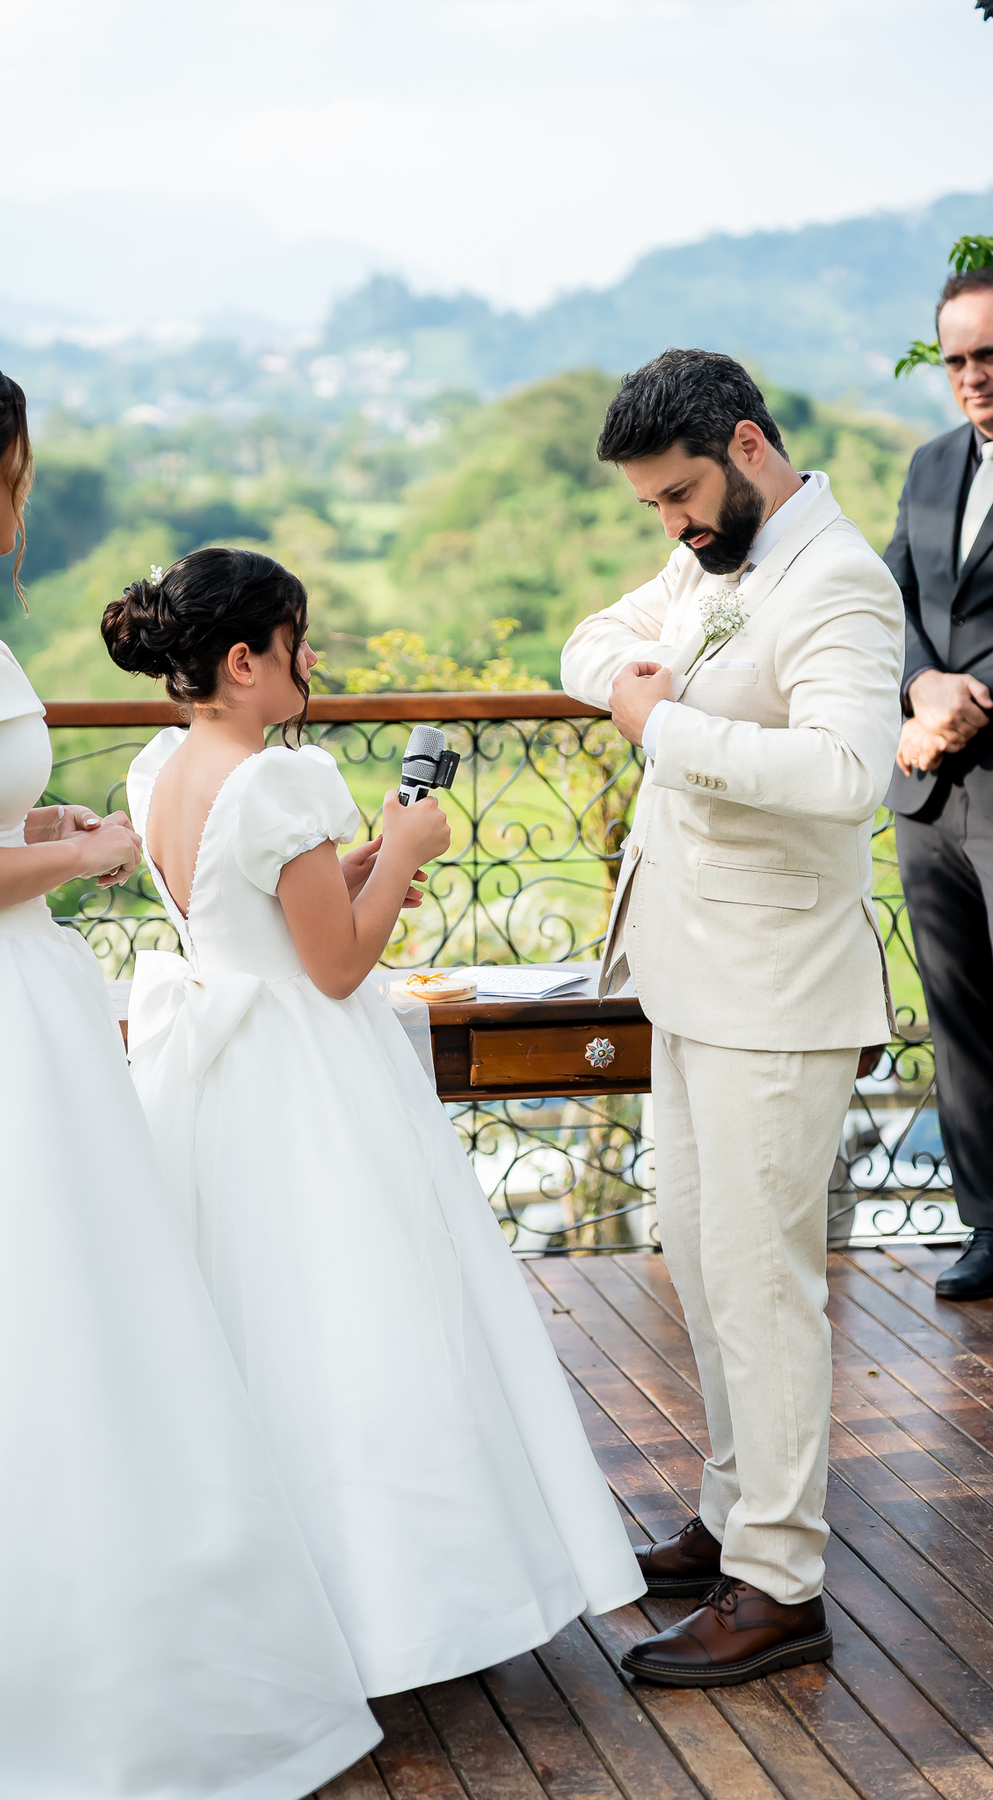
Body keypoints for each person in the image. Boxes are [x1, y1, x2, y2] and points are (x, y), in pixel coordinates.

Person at [0, 350, 381, 1799]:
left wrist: (36, 825)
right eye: (23, 464)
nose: (27, 490)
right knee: (16, 1323)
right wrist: (90, 851)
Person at [102, 547, 647, 1698]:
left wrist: (348, 867)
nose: (311, 658)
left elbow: (246, 912)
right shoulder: (279, 783)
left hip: (219, 1077)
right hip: (308, 1075)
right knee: (357, 1323)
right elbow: (341, 963)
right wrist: (400, 852)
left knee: (256, 1323)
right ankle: (394, 1611)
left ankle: (277, 1601)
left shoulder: (161, 770)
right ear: (244, 660)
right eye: (296, 640)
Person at [561, 350, 902, 1687]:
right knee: (704, 1270)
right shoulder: (712, 556)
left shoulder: (839, 581)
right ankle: (730, 1515)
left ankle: (782, 1582)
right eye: (653, 505)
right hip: (690, 975)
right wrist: (630, 683)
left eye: (680, 494)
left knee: (764, 1285)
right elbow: (592, 640)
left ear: (749, 446)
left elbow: (846, 773)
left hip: (777, 988)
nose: (670, 524)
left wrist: (662, 726)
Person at [885, 265, 993, 1302]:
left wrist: (968, 702)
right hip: (927, 795)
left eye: (989, 354)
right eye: (957, 359)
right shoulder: (928, 465)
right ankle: (988, 1227)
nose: (972, 376)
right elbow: (894, 598)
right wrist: (922, 690)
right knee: (956, 1019)